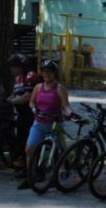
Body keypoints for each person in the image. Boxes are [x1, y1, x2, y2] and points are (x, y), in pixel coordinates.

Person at [17, 60, 76, 189]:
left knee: (58, 151)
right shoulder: (38, 87)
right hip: (39, 122)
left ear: (54, 74)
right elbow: (32, 102)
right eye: (44, 72)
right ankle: (30, 177)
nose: (46, 75)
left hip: (55, 123)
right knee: (29, 149)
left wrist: (70, 113)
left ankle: (56, 176)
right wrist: (34, 109)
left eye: (49, 72)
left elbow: (66, 105)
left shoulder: (59, 88)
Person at [6, 54, 39, 174]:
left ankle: (31, 169)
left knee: (28, 142)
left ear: (21, 66)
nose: (11, 68)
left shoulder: (31, 76)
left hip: (30, 114)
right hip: (21, 114)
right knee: (20, 141)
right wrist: (5, 99)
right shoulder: (18, 78)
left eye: (14, 66)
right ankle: (23, 166)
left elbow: (27, 96)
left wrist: (11, 102)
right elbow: (16, 94)